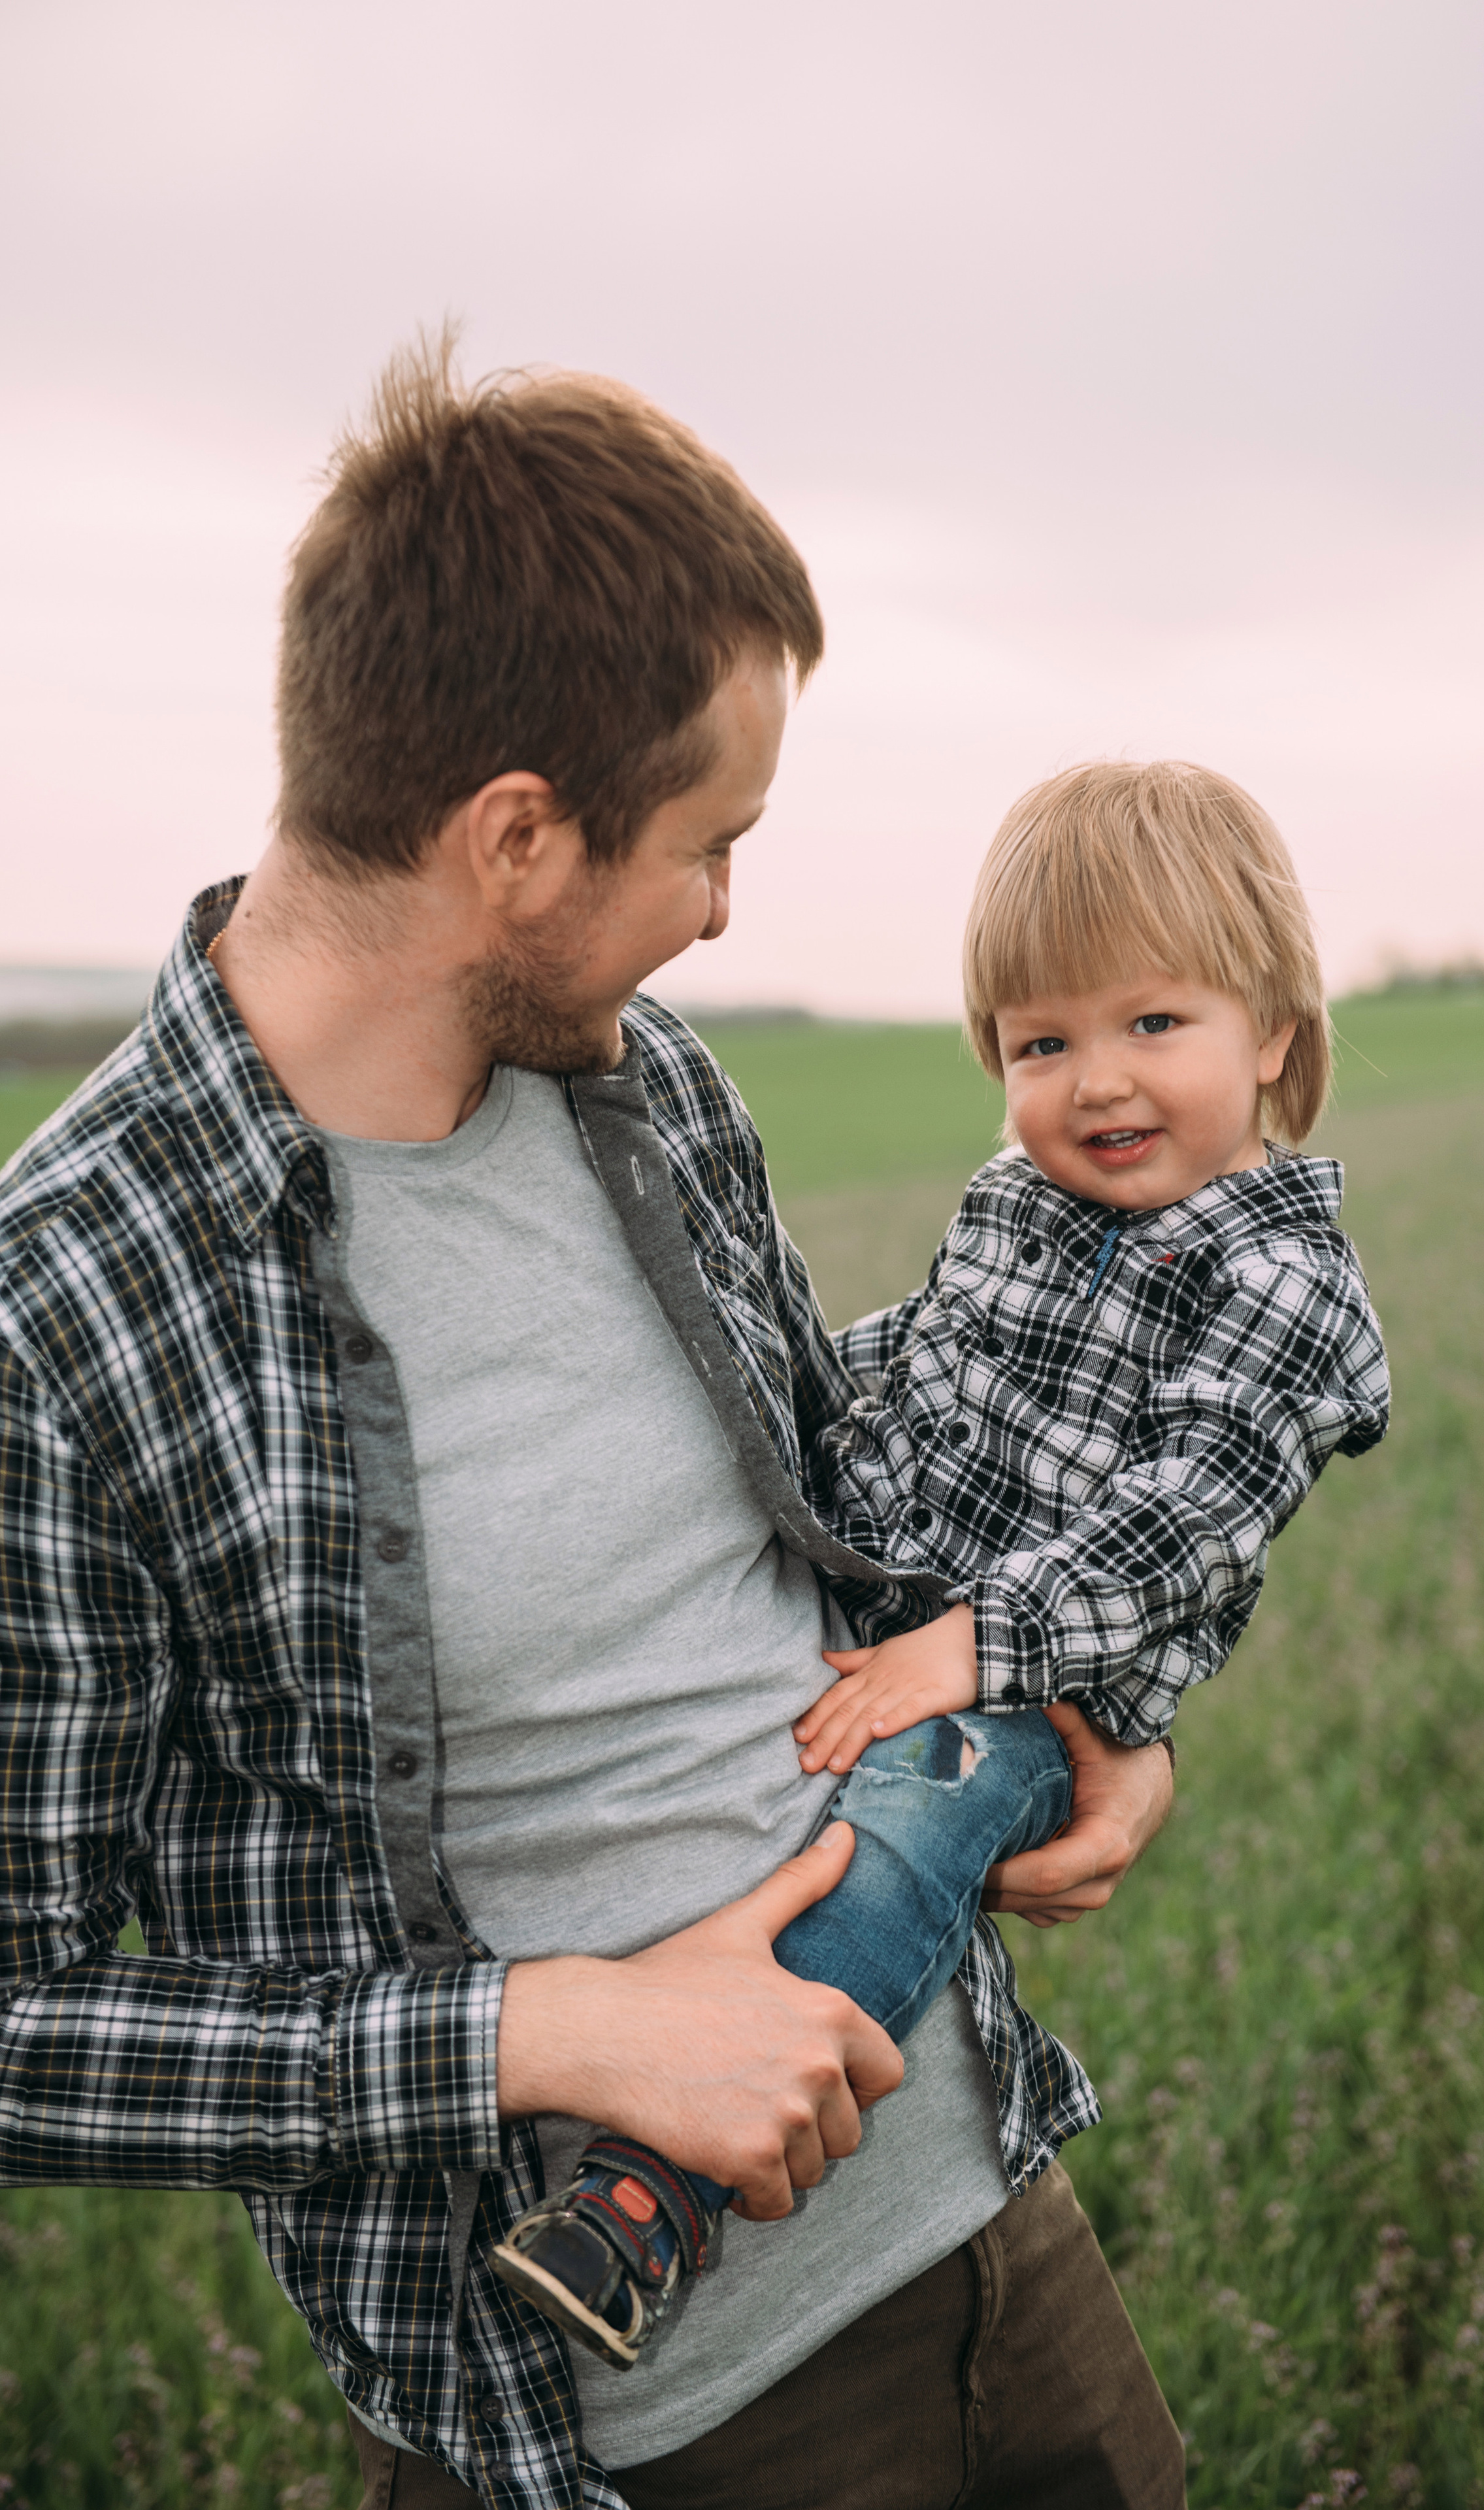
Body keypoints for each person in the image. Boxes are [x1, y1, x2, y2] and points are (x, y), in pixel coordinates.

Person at [0, 341, 1184, 2510]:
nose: (725, 909)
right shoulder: (67, 1309)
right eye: (710, 844)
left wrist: (1061, 1695)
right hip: (629, 2430)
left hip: (1003, 2240)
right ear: (518, 840)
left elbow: (835, 1541)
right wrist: (548, 2034)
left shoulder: (652, 1094)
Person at [502, 759, 1391, 2372]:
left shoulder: (1281, 1285)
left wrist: (972, 1646)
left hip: (1027, 1698)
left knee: (904, 1827)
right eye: (1040, 1044)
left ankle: (651, 2198)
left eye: (1152, 1022)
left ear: (1271, 1030)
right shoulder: (1019, 1206)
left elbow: (1182, 1520)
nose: (1095, 1082)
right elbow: (900, 1364)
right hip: (902, 1620)